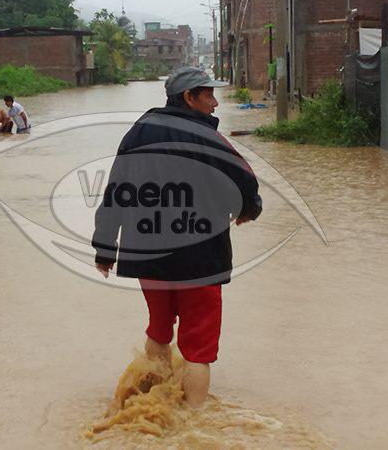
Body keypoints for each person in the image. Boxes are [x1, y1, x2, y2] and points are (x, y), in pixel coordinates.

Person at [92, 67, 263, 408]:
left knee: (158, 329)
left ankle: (157, 403)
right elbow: (245, 183)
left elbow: (116, 192)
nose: (215, 103)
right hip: (200, 259)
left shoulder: (137, 133)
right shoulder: (209, 138)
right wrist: (248, 210)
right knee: (198, 345)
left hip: (148, 255)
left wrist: (105, 248)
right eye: (208, 95)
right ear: (189, 97)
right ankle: (191, 421)